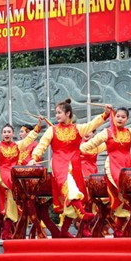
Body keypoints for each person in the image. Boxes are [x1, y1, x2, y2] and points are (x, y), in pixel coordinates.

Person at [29, 98, 112, 238]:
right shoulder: (52, 130)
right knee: (70, 188)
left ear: (68, 113)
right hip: (59, 163)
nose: (57, 116)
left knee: (72, 194)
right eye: (56, 113)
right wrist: (34, 157)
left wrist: (105, 114)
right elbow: (42, 145)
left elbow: (92, 124)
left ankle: (64, 231)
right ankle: (82, 214)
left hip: (74, 164)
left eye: (59, 113)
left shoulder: (78, 128)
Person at [81, 99, 131, 237]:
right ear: (113, 117)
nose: (120, 118)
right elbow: (90, 144)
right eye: (117, 116)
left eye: (123, 117)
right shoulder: (107, 132)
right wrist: (75, 150)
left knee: (127, 193)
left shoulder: (129, 132)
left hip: (126, 165)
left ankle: (119, 228)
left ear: (127, 119)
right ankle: (121, 226)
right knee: (121, 190)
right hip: (113, 163)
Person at [0, 118, 42, 240]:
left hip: (13, 177)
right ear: (2, 134)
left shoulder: (18, 145)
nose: (7, 134)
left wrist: (38, 126)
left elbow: (29, 139)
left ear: (13, 134)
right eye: (4, 132)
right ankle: (7, 231)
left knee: (12, 203)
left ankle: (7, 231)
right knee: (9, 203)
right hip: (3, 177)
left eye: (9, 132)